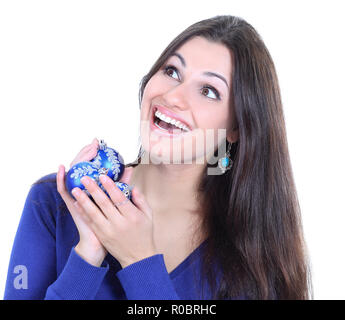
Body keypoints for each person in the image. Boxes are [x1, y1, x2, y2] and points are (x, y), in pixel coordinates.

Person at [4, 15, 313, 300]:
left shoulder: (253, 256)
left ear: (235, 127)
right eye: (171, 71)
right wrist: (87, 255)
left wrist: (140, 264)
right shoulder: (52, 203)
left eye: (208, 91)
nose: (174, 96)